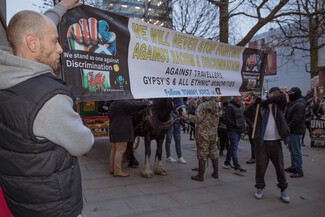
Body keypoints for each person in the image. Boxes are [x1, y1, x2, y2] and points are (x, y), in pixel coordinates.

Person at [0, 1, 95, 217]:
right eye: (55, 42)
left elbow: (38, 26)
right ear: (32, 43)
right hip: (53, 207)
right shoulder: (50, 100)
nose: (61, 48)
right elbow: (83, 143)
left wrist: (61, 7)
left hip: (20, 199)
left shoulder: (7, 72)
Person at [252, 87, 290, 203]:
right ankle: (259, 187)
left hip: (276, 142)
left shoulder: (279, 106)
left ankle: (283, 189)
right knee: (260, 167)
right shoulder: (261, 107)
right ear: (269, 94)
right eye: (274, 94)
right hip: (262, 142)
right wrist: (255, 103)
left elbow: (283, 97)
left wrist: (268, 100)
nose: (276, 96)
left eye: (277, 94)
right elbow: (246, 113)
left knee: (280, 168)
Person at [178, 97, 221, 182]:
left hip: (203, 134)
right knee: (214, 153)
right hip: (213, 134)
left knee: (202, 154)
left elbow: (197, 119)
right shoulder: (217, 105)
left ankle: (200, 176)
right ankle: (216, 173)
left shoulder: (202, 106)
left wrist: (184, 116)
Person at [285, 87, 306, 178]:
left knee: (296, 151)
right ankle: (294, 166)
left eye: (291, 93)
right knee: (292, 150)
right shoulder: (292, 103)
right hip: (291, 131)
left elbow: (296, 120)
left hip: (295, 131)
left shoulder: (299, 105)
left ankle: (298, 170)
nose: (289, 95)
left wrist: (287, 128)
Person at [223, 95, 247, 175]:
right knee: (234, 148)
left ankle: (226, 163)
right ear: (234, 97)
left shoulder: (239, 106)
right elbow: (226, 119)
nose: (240, 98)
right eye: (238, 97)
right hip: (233, 130)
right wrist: (236, 125)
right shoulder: (230, 107)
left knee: (231, 147)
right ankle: (237, 167)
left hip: (239, 130)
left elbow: (241, 118)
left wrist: (243, 127)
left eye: (241, 97)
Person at [165, 99, 187, 164]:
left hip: (177, 122)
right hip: (170, 122)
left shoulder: (179, 98)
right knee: (169, 139)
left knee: (178, 140)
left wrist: (183, 122)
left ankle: (180, 157)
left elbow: (182, 111)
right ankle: (168, 156)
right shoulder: (169, 99)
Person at [243, 96, 257, 164]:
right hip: (252, 127)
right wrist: (251, 123)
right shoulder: (250, 107)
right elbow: (245, 115)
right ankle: (253, 157)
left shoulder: (261, 106)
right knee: (253, 143)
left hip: (259, 127)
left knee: (258, 143)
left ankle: (258, 157)